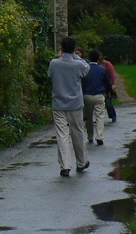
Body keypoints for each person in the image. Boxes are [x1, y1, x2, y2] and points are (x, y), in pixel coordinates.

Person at [48, 36, 90, 178]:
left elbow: (50, 76)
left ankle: (65, 165)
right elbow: (86, 68)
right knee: (77, 132)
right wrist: (76, 57)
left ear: (61, 47)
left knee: (62, 134)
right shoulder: (78, 64)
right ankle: (81, 162)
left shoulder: (54, 63)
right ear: (73, 49)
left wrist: (61, 57)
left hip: (59, 103)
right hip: (75, 104)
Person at [82, 49, 111, 145]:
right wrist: (108, 92)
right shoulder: (102, 69)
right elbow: (107, 83)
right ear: (98, 58)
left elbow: (81, 83)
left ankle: (90, 136)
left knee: (89, 117)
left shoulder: (85, 69)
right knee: (100, 116)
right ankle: (99, 136)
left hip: (87, 95)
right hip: (99, 95)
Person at [101, 56, 118, 123]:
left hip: (107, 85)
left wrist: (113, 84)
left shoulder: (107, 64)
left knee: (108, 102)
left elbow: (112, 74)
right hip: (100, 85)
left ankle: (113, 115)